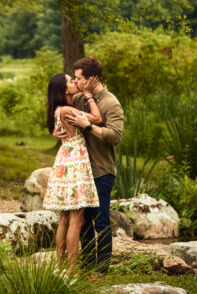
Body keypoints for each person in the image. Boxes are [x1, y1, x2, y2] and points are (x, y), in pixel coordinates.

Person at [57, 57, 124, 274]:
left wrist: (88, 127)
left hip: (101, 170)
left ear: (92, 79)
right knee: (83, 221)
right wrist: (56, 131)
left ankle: (102, 269)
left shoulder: (110, 103)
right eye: (74, 79)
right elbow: (59, 113)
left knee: (101, 221)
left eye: (79, 79)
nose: (76, 82)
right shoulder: (77, 99)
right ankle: (86, 265)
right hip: (80, 173)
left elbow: (115, 136)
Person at [43, 73, 103, 272]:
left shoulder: (56, 110)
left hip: (64, 160)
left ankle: (60, 265)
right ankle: (73, 268)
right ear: (63, 89)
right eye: (70, 81)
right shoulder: (68, 110)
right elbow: (97, 119)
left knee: (63, 218)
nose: (74, 83)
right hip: (75, 162)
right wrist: (88, 95)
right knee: (76, 219)